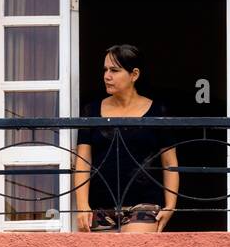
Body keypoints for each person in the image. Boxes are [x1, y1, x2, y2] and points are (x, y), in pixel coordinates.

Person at [73, 45, 178, 232]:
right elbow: (82, 162)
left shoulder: (157, 112)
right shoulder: (91, 111)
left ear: (134, 74)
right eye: (105, 70)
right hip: (100, 207)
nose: (107, 76)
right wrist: (82, 206)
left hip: (144, 206)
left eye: (114, 70)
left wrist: (170, 205)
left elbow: (170, 162)